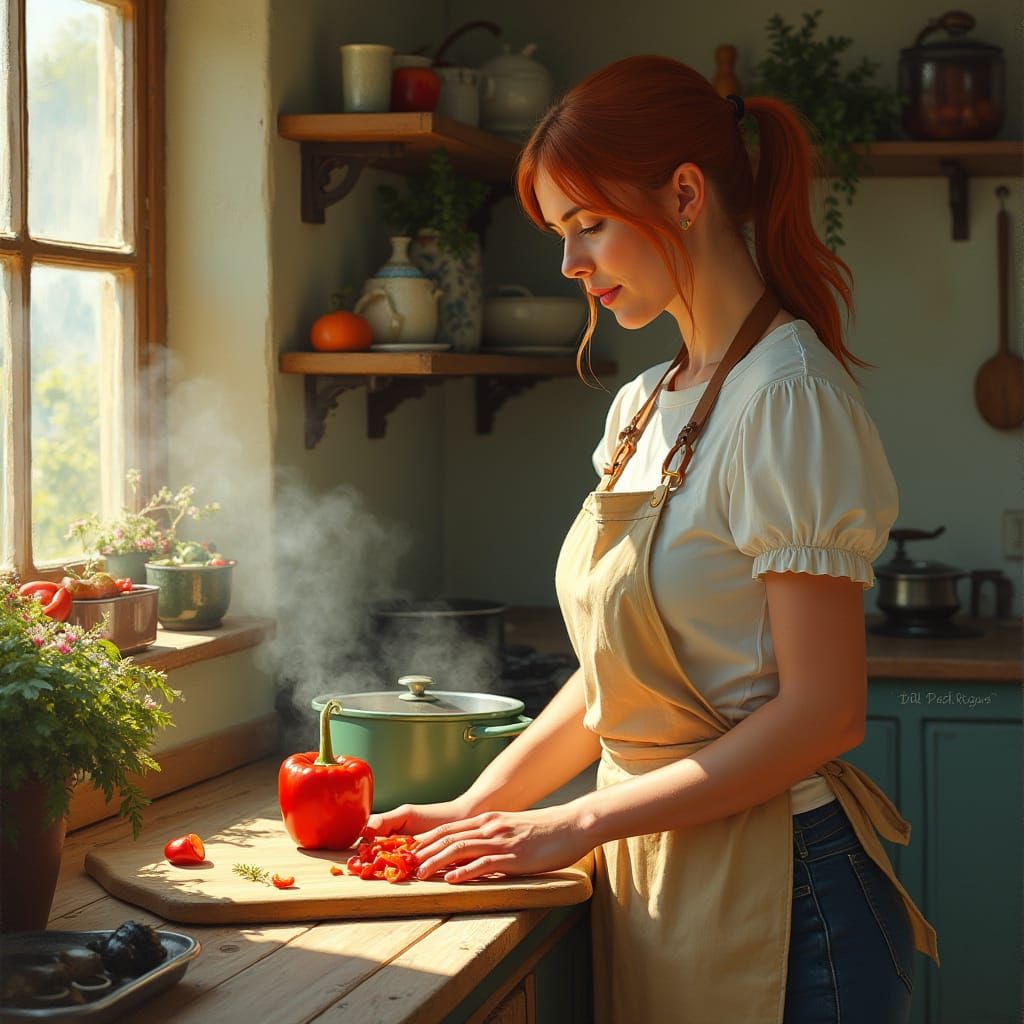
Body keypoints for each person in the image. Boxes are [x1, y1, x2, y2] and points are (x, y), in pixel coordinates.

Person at [368, 55, 940, 1023]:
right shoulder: (641, 406)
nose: (569, 264)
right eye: (559, 232)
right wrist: (482, 806)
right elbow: (609, 682)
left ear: (684, 194)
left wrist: (573, 820)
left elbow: (824, 712)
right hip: (654, 885)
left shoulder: (787, 399)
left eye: (587, 224)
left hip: (793, 909)